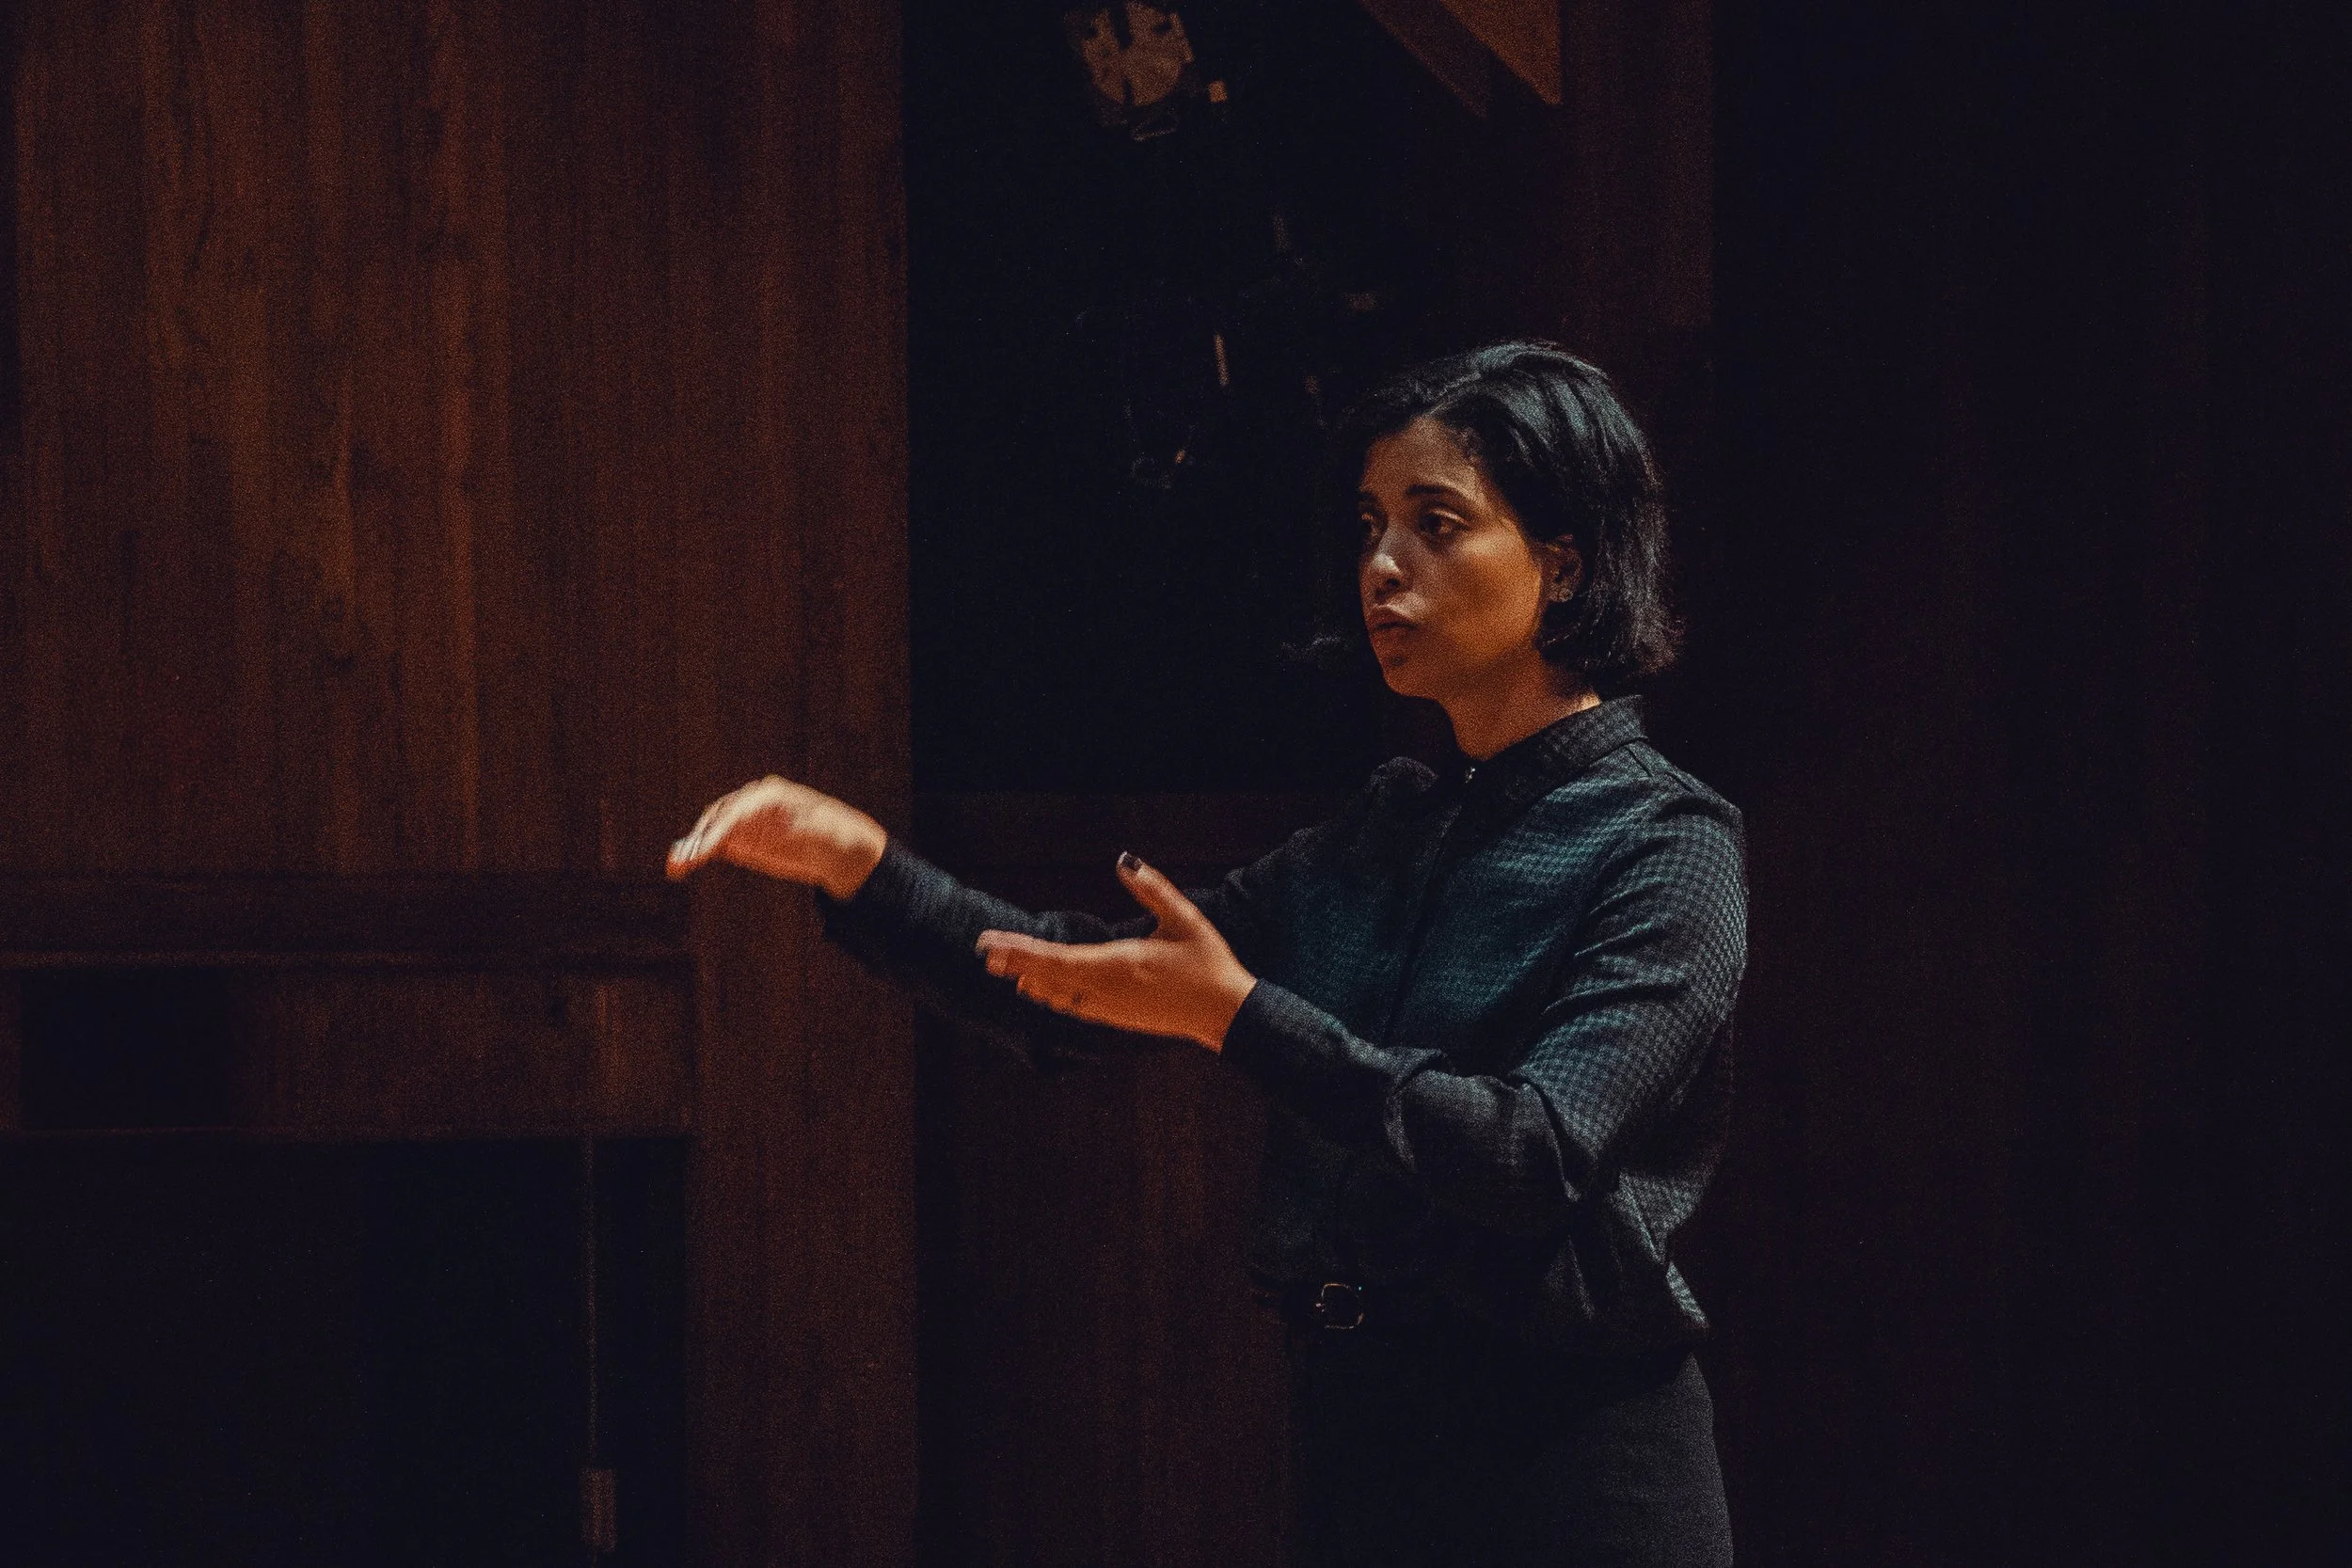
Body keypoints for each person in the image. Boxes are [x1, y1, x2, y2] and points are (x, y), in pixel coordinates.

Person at [667, 342, 1745, 1566]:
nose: (1383, 566)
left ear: (1566, 566)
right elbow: (1084, 984)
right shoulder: (1382, 834)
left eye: (1437, 524)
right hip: (1362, 1431)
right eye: (1371, 523)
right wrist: (863, 866)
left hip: (1574, 1471)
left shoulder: (1666, 843)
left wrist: (1240, 1015)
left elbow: (1530, 1154)